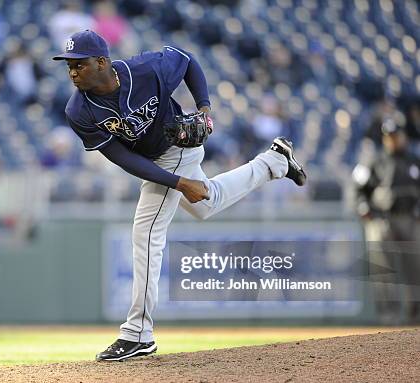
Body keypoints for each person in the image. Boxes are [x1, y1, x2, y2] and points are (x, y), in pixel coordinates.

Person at [53, 30, 307, 361]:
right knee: (207, 203)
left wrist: (204, 107)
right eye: (68, 66)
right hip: (154, 161)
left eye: (79, 64)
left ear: (102, 61)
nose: (72, 72)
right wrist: (179, 183)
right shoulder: (79, 111)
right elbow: (124, 159)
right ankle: (273, 162)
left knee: (145, 234)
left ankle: (138, 333)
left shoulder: (144, 69)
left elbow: (187, 60)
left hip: (178, 145)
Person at [353, 118, 420, 323]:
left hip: (410, 219)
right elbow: (358, 189)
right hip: (381, 220)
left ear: (404, 137)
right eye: (388, 137)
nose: (392, 140)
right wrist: (363, 206)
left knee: (415, 269)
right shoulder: (373, 162)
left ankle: (415, 318)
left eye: (396, 136)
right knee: (383, 271)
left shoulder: (414, 161)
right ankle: (388, 317)